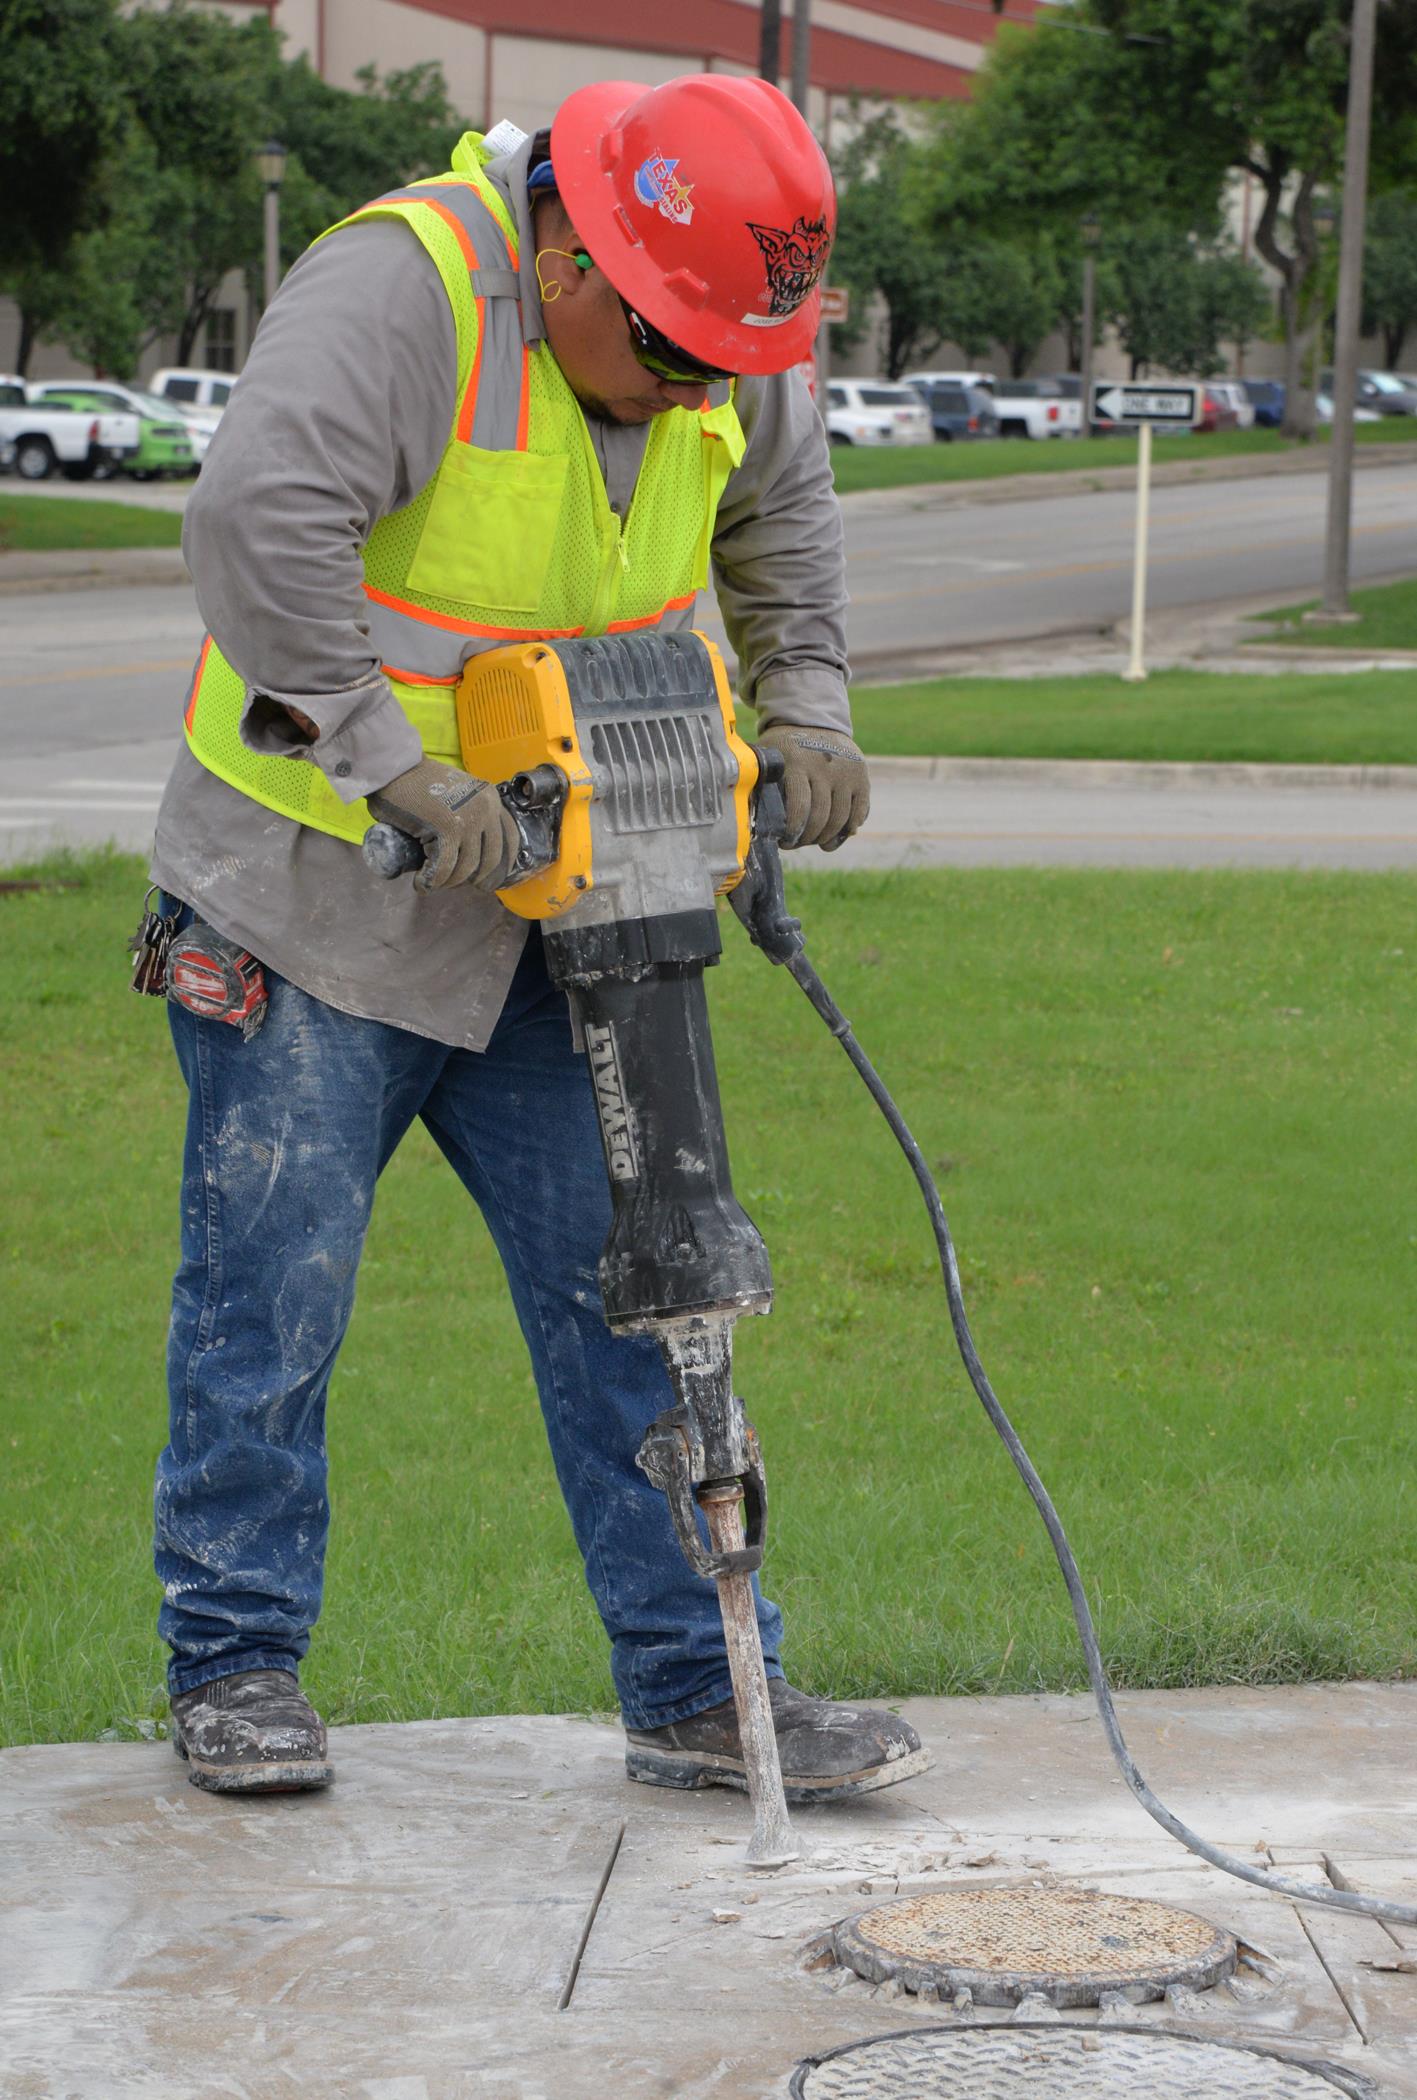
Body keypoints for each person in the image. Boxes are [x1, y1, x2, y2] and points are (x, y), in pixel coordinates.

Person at [147, 71, 931, 1801]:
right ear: (572, 256)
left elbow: (779, 526)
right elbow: (257, 536)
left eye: (732, 365)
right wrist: (392, 766)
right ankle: (234, 1670)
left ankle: (696, 1684)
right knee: (270, 1302)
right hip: (315, 900)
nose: (703, 393)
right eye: (673, 361)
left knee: (646, 1291)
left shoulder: (724, 315)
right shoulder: (401, 288)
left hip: (580, 897)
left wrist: (804, 707)